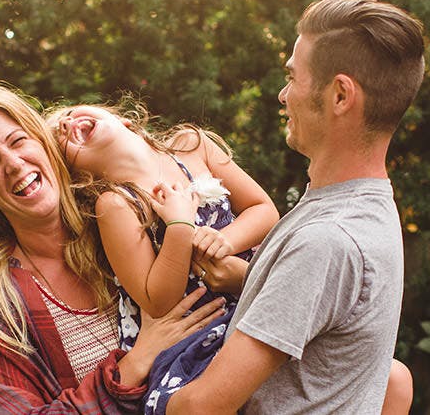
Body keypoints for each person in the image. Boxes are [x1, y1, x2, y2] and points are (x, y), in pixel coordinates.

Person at [166, 0, 425, 414]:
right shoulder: (365, 209)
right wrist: (249, 281)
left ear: (340, 95)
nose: (283, 95)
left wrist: (138, 365)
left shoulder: (328, 240)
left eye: (293, 77)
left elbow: (197, 409)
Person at [0, 83, 227, 413]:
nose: (14, 164)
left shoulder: (126, 211)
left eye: (18, 141)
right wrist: (134, 365)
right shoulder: (1, 303)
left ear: (42, 141)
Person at [47, 102, 280, 413]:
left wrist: (222, 241)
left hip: (252, 304)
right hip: (192, 339)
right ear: (79, 177)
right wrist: (180, 227)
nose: (66, 122)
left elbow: (263, 209)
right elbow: (157, 301)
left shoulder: (193, 146)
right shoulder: (115, 204)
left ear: (124, 121)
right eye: (59, 135)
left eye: (69, 113)